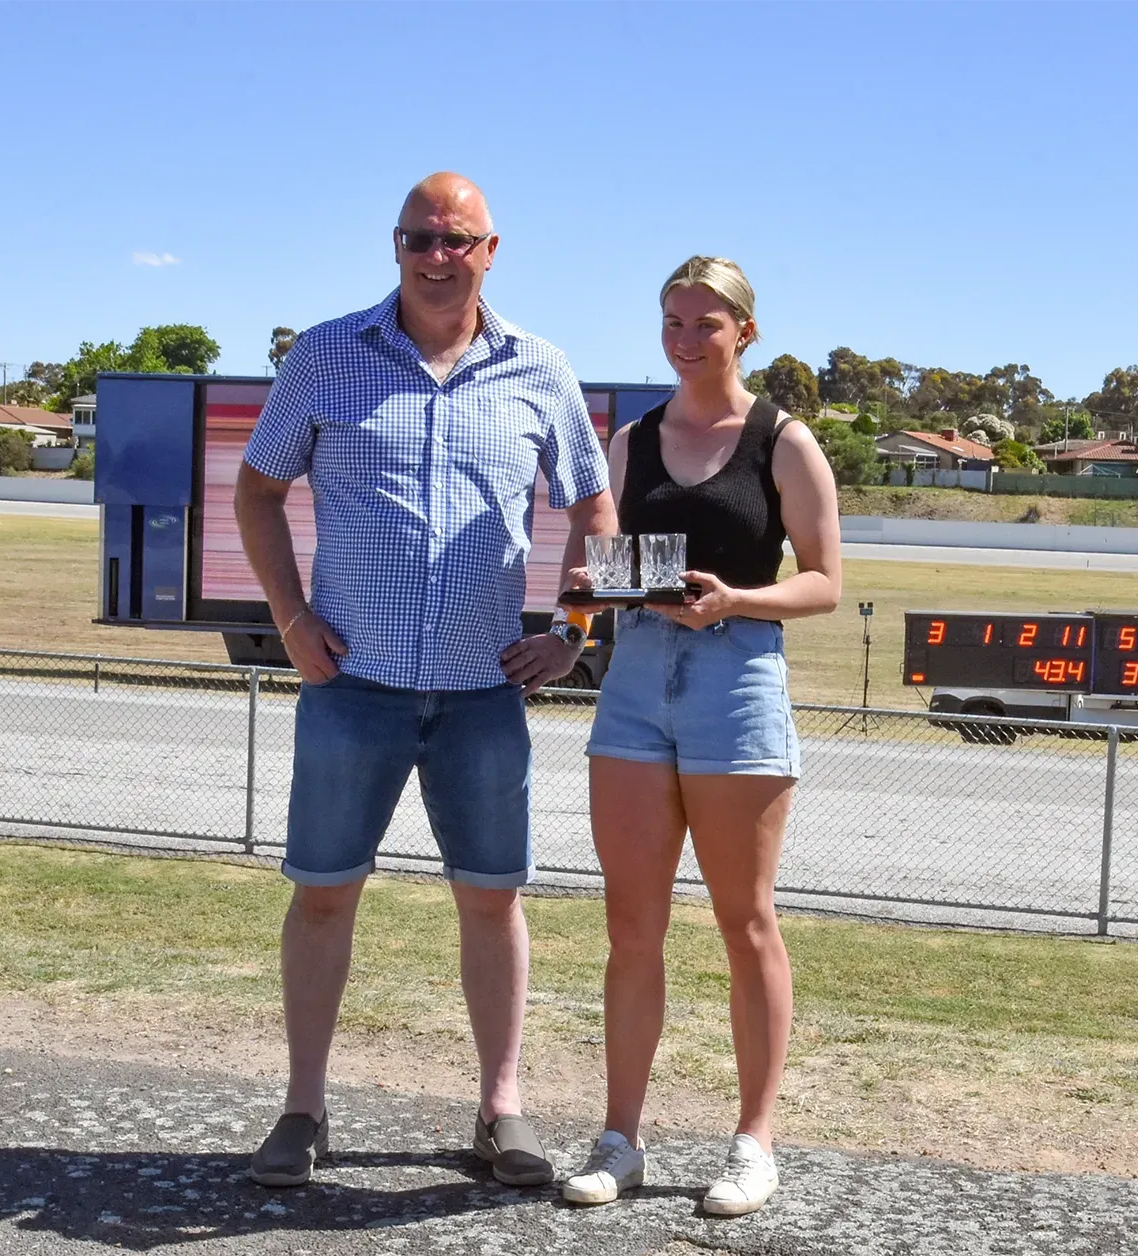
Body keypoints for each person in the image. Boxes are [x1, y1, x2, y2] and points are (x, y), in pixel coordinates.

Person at [233, 172, 615, 1188]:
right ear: (393, 245)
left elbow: (596, 508)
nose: (435, 254)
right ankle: (304, 1108)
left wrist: (575, 626)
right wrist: (289, 618)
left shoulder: (541, 368)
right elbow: (258, 488)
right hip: (351, 688)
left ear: (493, 250)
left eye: (456, 239)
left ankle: (502, 1108)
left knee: (491, 901)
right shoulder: (325, 357)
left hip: (484, 695)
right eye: (417, 237)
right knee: (323, 896)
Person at [560, 257, 841, 1216]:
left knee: (745, 921)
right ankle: (619, 1138)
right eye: (672, 322)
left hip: (737, 680)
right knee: (630, 925)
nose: (686, 339)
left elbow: (825, 581)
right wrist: (579, 614)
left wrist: (735, 599)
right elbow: (591, 565)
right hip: (634, 684)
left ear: (744, 332)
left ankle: (754, 1144)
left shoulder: (784, 441)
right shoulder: (632, 439)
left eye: (705, 324)